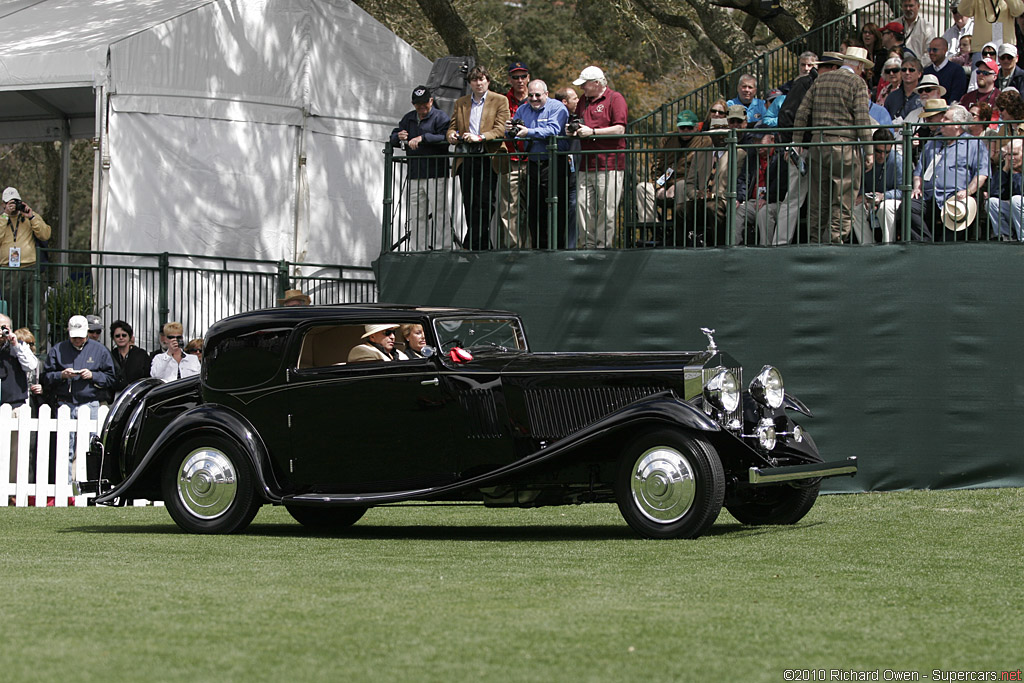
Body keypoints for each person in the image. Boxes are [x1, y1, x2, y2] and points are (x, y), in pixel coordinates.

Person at [794, 46, 875, 243]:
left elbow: (802, 113)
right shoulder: (857, 83)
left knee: (817, 200)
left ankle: (814, 241)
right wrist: (869, 151)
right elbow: (862, 119)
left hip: (817, 144)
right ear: (859, 66)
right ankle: (835, 241)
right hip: (844, 146)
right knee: (843, 199)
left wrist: (796, 143)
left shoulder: (821, 80)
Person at [42, 315, 116, 482]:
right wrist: (61, 375)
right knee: (64, 448)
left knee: (90, 448)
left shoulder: (100, 350)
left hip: (90, 404)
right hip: (65, 404)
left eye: (80, 336)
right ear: (68, 333)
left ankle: (89, 487)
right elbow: (45, 377)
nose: (77, 340)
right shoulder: (58, 349)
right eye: (74, 336)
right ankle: (65, 487)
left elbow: (112, 378)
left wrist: (94, 376)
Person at [903, 103, 990, 241]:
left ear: (957, 124)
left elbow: (982, 174)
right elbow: (919, 171)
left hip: (955, 198)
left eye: (946, 119)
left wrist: (968, 191)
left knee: (955, 226)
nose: (941, 121)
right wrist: (916, 187)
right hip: (929, 196)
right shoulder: (932, 142)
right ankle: (925, 243)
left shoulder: (974, 144)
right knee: (908, 206)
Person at [447, 65, 511, 251]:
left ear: (488, 81)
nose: (478, 83)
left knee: (485, 201)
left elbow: (501, 129)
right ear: (470, 83)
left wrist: (481, 137)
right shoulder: (461, 103)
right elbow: (452, 126)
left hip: (488, 155)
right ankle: (481, 244)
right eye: (474, 80)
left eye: (481, 79)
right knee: (469, 201)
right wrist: (451, 135)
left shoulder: (500, 100)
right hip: (466, 156)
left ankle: (472, 242)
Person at [508, 79, 571, 249]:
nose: (534, 98)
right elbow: (513, 132)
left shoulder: (557, 107)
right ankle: (538, 247)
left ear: (546, 94)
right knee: (534, 208)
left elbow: (553, 129)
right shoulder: (522, 109)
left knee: (555, 206)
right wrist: (510, 130)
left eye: (538, 95)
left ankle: (557, 246)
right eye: (530, 95)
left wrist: (529, 132)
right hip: (533, 164)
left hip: (555, 163)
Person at [571, 65, 628, 248]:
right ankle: (587, 245)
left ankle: (603, 246)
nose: (582, 88)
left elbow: (620, 128)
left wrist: (593, 131)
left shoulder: (615, 98)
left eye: (585, 84)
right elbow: (579, 122)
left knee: (607, 209)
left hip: (609, 163)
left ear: (596, 83)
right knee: (582, 206)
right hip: (586, 163)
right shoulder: (583, 100)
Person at [389, 85, 452, 250]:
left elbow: (446, 137)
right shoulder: (408, 118)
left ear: (431, 101)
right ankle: (418, 249)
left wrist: (424, 138)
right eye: (418, 104)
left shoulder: (440, 117)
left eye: (425, 103)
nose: (422, 107)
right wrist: (399, 136)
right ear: (413, 103)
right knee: (417, 214)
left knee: (440, 212)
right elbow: (394, 135)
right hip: (415, 173)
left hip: (436, 172)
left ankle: (443, 248)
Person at [634, 109, 700, 230]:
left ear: (696, 127)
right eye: (682, 127)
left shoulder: (703, 140)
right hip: (664, 183)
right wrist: (658, 186)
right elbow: (657, 164)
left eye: (689, 128)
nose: (685, 130)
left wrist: (674, 186)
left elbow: (699, 169)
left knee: (681, 185)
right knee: (642, 188)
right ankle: (652, 228)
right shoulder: (668, 139)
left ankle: (680, 231)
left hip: (686, 184)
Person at [1, 187, 52, 331]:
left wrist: (32, 216)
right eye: (9, 203)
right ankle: (14, 344)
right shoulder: (2, 219)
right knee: (13, 309)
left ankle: (38, 347)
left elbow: (45, 234)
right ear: (3, 204)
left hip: (31, 268)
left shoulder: (29, 217)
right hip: (9, 270)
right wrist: (5, 216)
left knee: (35, 309)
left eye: (16, 202)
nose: (13, 206)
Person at [1, 313, 39, 485]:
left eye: (4, 327)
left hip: (15, 406)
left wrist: (15, 343)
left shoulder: (19, 347)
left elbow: (31, 365)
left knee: (16, 452)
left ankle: (13, 490)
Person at [734, 129, 789, 245]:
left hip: (775, 201)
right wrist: (739, 198)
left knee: (764, 212)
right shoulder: (752, 157)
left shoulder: (781, 156)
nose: (757, 144)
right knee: (737, 210)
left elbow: (780, 183)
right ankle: (734, 246)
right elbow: (744, 179)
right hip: (754, 201)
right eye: (754, 140)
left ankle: (765, 248)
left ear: (772, 139)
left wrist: (766, 198)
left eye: (760, 140)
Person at [498, 61, 531, 248]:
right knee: (509, 207)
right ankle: (512, 247)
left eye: (523, 76)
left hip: (532, 158)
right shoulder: (503, 100)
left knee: (531, 206)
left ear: (528, 78)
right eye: (515, 77)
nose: (520, 80)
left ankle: (530, 247)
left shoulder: (535, 98)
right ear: (510, 79)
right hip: (510, 158)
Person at [855, 128, 904, 243]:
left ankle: (888, 246)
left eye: (886, 152)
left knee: (885, 208)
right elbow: (857, 181)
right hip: (868, 199)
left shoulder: (898, 160)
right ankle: (867, 246)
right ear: (872, 146)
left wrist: (884, 196)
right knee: (855, 208)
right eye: (878, 151)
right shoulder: (862, 157)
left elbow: (902, 190)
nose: (882, 156)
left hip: (889, 199)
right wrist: (862, 195)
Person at [957, 0, 1024, 62]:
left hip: (1005, 50)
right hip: (981, 50)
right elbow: (963, 11)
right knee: (980, 74)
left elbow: (1018, 11)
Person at [984, 138, 1024, 239]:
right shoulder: (1007, 166)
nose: (1011, 158)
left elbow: (1020, 191)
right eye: (1008, 155)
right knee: (991, 202)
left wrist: (1015, 173)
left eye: (1015, 154)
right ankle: (1006, 236)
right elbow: (994, 192)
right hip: (1016, 214)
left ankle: (1022, 238)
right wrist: (1005, 170)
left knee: (1016, 200)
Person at [109, 320, 150, 396]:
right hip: (116, 395)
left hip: (138, 394)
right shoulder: (110, 355)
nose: (121, 338)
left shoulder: (141, 354)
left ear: (130, 337)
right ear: (113, 338)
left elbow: (147, 376)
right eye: (117, 336)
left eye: (124, 335)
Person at [924, 37, 969, 102]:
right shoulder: (926, 71)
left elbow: (956, 96)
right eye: (929, 50)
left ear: (945, 50)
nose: (931, 52)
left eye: (934, 50)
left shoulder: (957, 71)